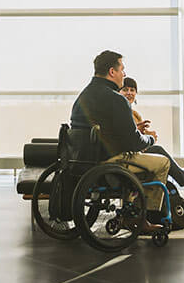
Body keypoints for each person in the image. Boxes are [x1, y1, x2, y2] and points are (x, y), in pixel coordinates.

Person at [70, 50, 170, 232]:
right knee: (162, 163)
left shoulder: (83, 96)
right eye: (122, 69)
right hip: (109, 162)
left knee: (143, 159)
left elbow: (106, 130)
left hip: (83, 159)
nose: (124, 74)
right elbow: (134, 142)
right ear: (112, 72)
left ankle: (132, 211)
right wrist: (150, 139)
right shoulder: (116, 99)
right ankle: (142, 218)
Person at [119, 77, 184, 200]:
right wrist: (146, 137)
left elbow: (133, 135)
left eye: (132, 90)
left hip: (136, 150)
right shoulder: (122, 111)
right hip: (128, 154)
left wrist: (145, 134)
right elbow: (127, 137)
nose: (129, 93)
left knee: (158, 151)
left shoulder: (134, 114)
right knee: (159, 151)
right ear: (118, 92)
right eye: (125, 89)